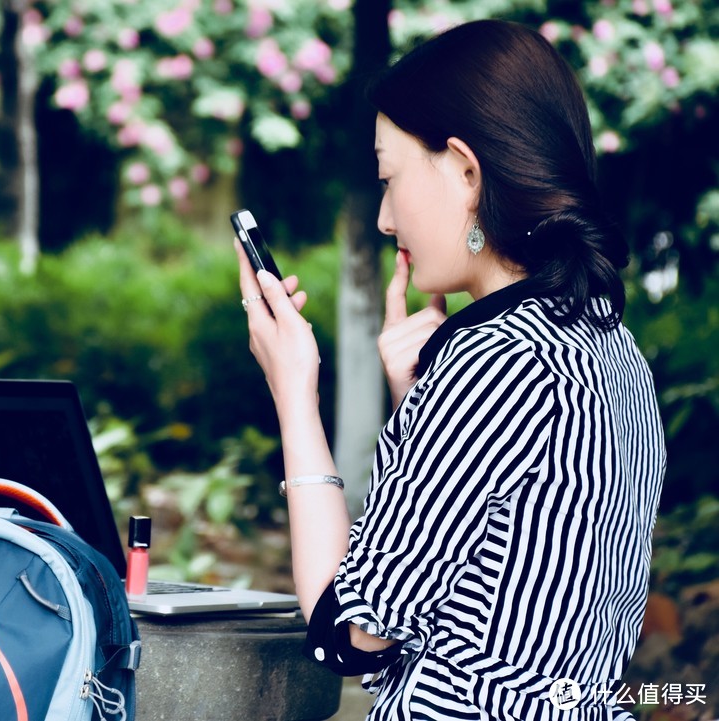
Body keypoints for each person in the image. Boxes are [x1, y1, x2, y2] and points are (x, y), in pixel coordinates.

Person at [235, 19, 666, 721]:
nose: (383, 217)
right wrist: (421, 402)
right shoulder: (612, 347)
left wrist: (294, 394)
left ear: (466, 171)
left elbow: (349, 637)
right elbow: (490, 596)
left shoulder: (493, 362)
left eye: (389, 176)